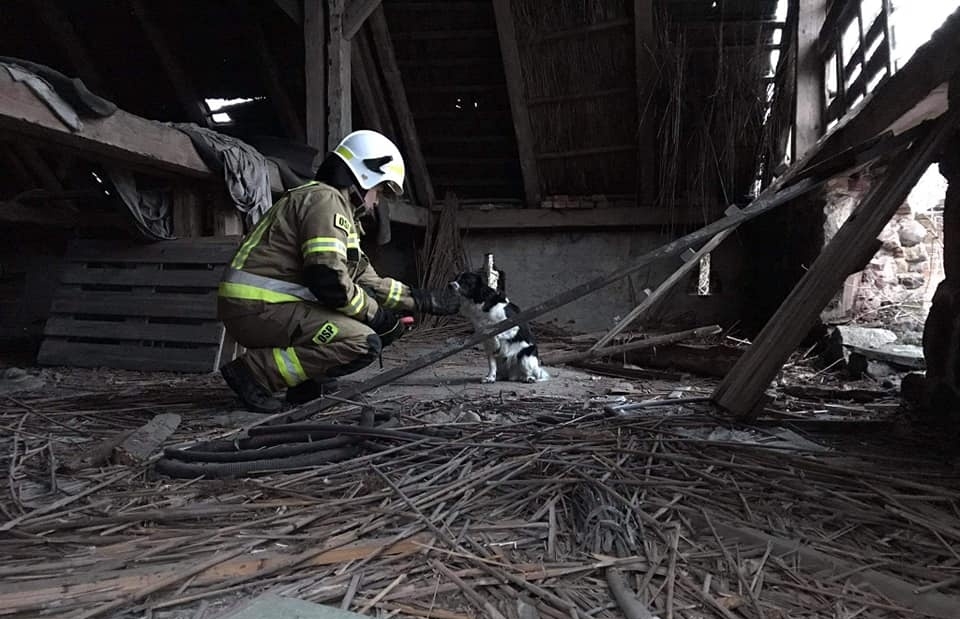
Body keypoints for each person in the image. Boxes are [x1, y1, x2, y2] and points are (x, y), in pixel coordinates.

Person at [216, 130, 459, 412]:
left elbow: (366, 281)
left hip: (264, 306)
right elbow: (329, 281)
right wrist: (377, 318)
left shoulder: (336, 211)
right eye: (379, 190)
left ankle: (306, 382)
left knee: (361, 327)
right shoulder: (325, 201)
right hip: (259, 307)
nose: (377, 202)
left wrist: (421, 300)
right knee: (362, 341)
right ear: (364, 176)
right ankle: (255, 374)